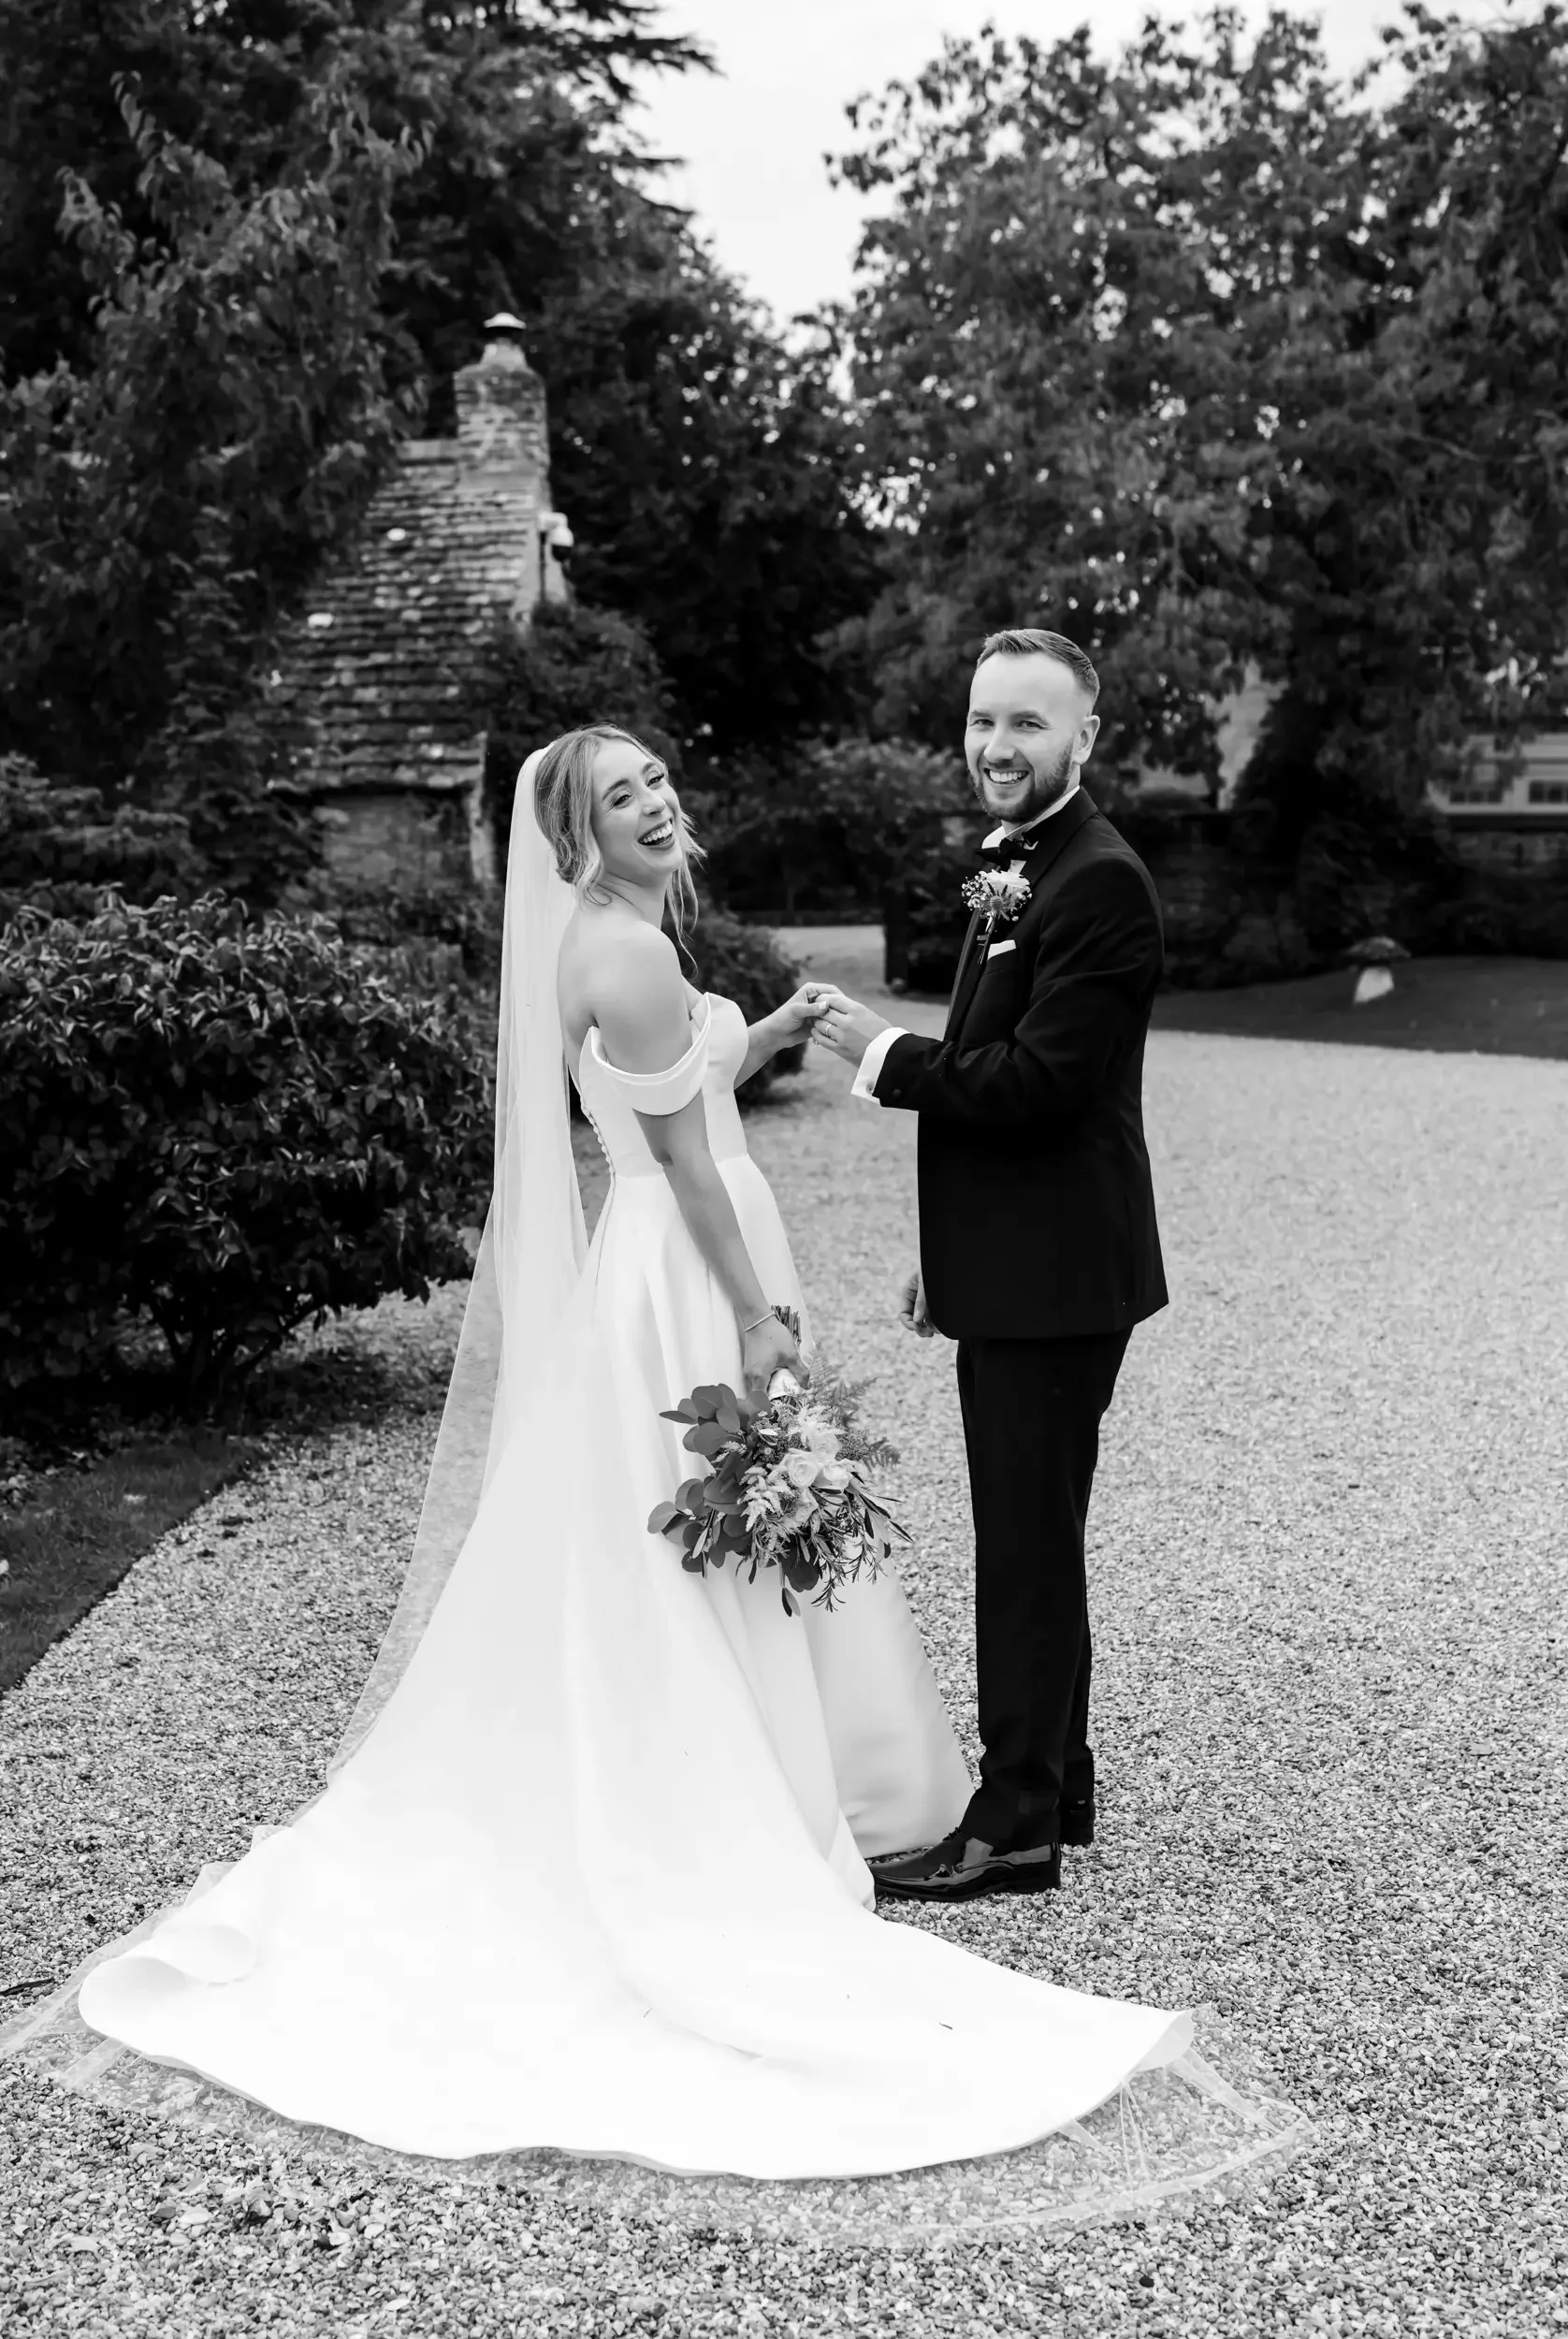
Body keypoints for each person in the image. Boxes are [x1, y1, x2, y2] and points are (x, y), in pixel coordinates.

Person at [18, 723, 1279, 2196]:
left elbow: (681, 1089)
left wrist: (776, 1034)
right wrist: (756, 1314)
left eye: (663, 783)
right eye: (626, 799)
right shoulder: (622, 956)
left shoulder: (624, 945)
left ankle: (833, 1768)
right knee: (717, 1519)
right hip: (691, 1261)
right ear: (577, 842)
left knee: (710, 1525)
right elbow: (681, 1158)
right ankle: (722, 1789)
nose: (659, 806)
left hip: (679, 1239)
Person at [813, 629, 1168, 1904]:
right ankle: (1054, 1778)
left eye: (1027, 724)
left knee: (1022, 1547)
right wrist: (940, 1248)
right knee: (1038, 1534)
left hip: (1061, 1275)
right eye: (982, 722)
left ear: (1084, 737)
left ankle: (1012, 1822)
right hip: (1022, 1259)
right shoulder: (1023, 867)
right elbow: (1001, 1059)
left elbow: (1036, 1088)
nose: (997, 747)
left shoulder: (1099, 881)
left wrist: (879, 1055)